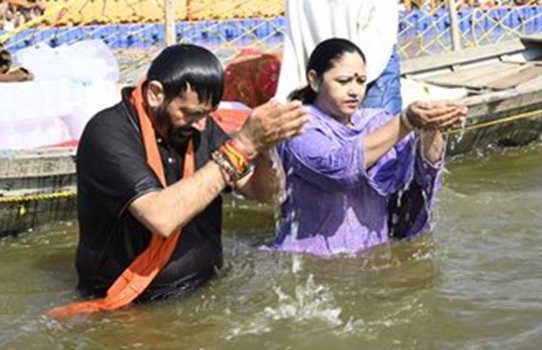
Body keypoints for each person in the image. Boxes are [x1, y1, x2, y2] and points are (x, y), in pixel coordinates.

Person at [48, 44, 308, 318]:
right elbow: (161, 217)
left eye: (207, 114)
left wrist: (265, 148)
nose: (201, 125)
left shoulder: (200, 126)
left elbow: (264, 193)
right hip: (129, 310)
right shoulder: (108, 133)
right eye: (191, 113)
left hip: (203, 295)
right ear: (155, 94)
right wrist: (242, 146)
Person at [269, 38, 467, 255]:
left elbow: (421, 173)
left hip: (372, 256)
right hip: (310, 264)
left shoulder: (374, 122)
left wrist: (432, 128)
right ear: (314, 80)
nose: (354, 91)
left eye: (361, 81)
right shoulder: (296, 127)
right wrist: (405, 122)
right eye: (344, 81)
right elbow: (340, 170)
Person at [275, 0, 402, 115]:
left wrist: (347, 77)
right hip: (325, 73)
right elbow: (295, 39)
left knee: (378, 130)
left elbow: (380, 32)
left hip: (372, 68)